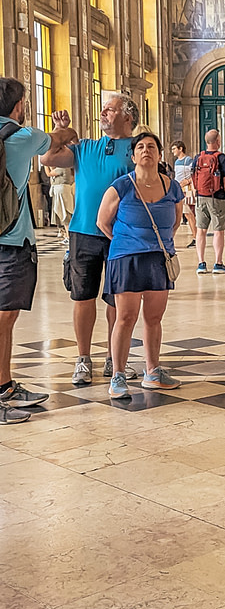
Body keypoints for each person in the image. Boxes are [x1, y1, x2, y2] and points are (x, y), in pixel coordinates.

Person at [39, 92, 137, 387]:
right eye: (103, 109)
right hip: (83, 231)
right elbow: (48, 156)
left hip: (120, 232)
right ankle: (83, 359)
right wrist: (64, 131)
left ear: (127, 117)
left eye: (110, 109)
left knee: (116, 299)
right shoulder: (86, 147)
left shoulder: (135, 148)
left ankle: (113, 357)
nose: (103, 113)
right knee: (82, 296)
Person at [0, 78, 73, 422]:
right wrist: (65, 128)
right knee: (3, 318)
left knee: (6, 318)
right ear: (18, 106)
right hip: (11, 239)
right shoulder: (20, 136)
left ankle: (5, 386)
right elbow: (56, 142)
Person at [96, 131, 184, 400]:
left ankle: (152, 371)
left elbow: (176, 221)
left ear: (160, 154)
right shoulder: (121, 185)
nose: (147, 151)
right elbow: (103, 222)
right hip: (127, 259)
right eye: (141, 147)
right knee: (125, 318)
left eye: (152, 147)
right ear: (133, 155)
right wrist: (127, 242)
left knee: (153, 318)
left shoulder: (173, 187)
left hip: (159, 258)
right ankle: (118, 375)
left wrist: (156, 244)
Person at [191, 128, 225, 274]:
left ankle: (201, 263)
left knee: (201, 231)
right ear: (218, 141)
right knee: (218, 231)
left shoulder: (198, 157)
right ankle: (218, 263)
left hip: (201, 197)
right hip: (218, 197)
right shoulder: (221, 158)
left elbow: (193, 177)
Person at [170, 141, 196, 248]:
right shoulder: (176, 162)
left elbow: (194, 174)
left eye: (174, 149)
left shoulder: (188, 160)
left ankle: (195, 237)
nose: (173, 151)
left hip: (186, 190)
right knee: (184, 214)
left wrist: (188, 180)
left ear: (181, 149)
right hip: (179, 189)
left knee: (189, 214)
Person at [47, 165, 74, 242]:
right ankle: (65, 233)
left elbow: (48, 173)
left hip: (62, 191)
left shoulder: (63, 167)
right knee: (60, 213)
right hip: (59, 190)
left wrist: (45, 166)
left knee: (65, 214)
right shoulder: (61, 168)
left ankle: (69, 236)